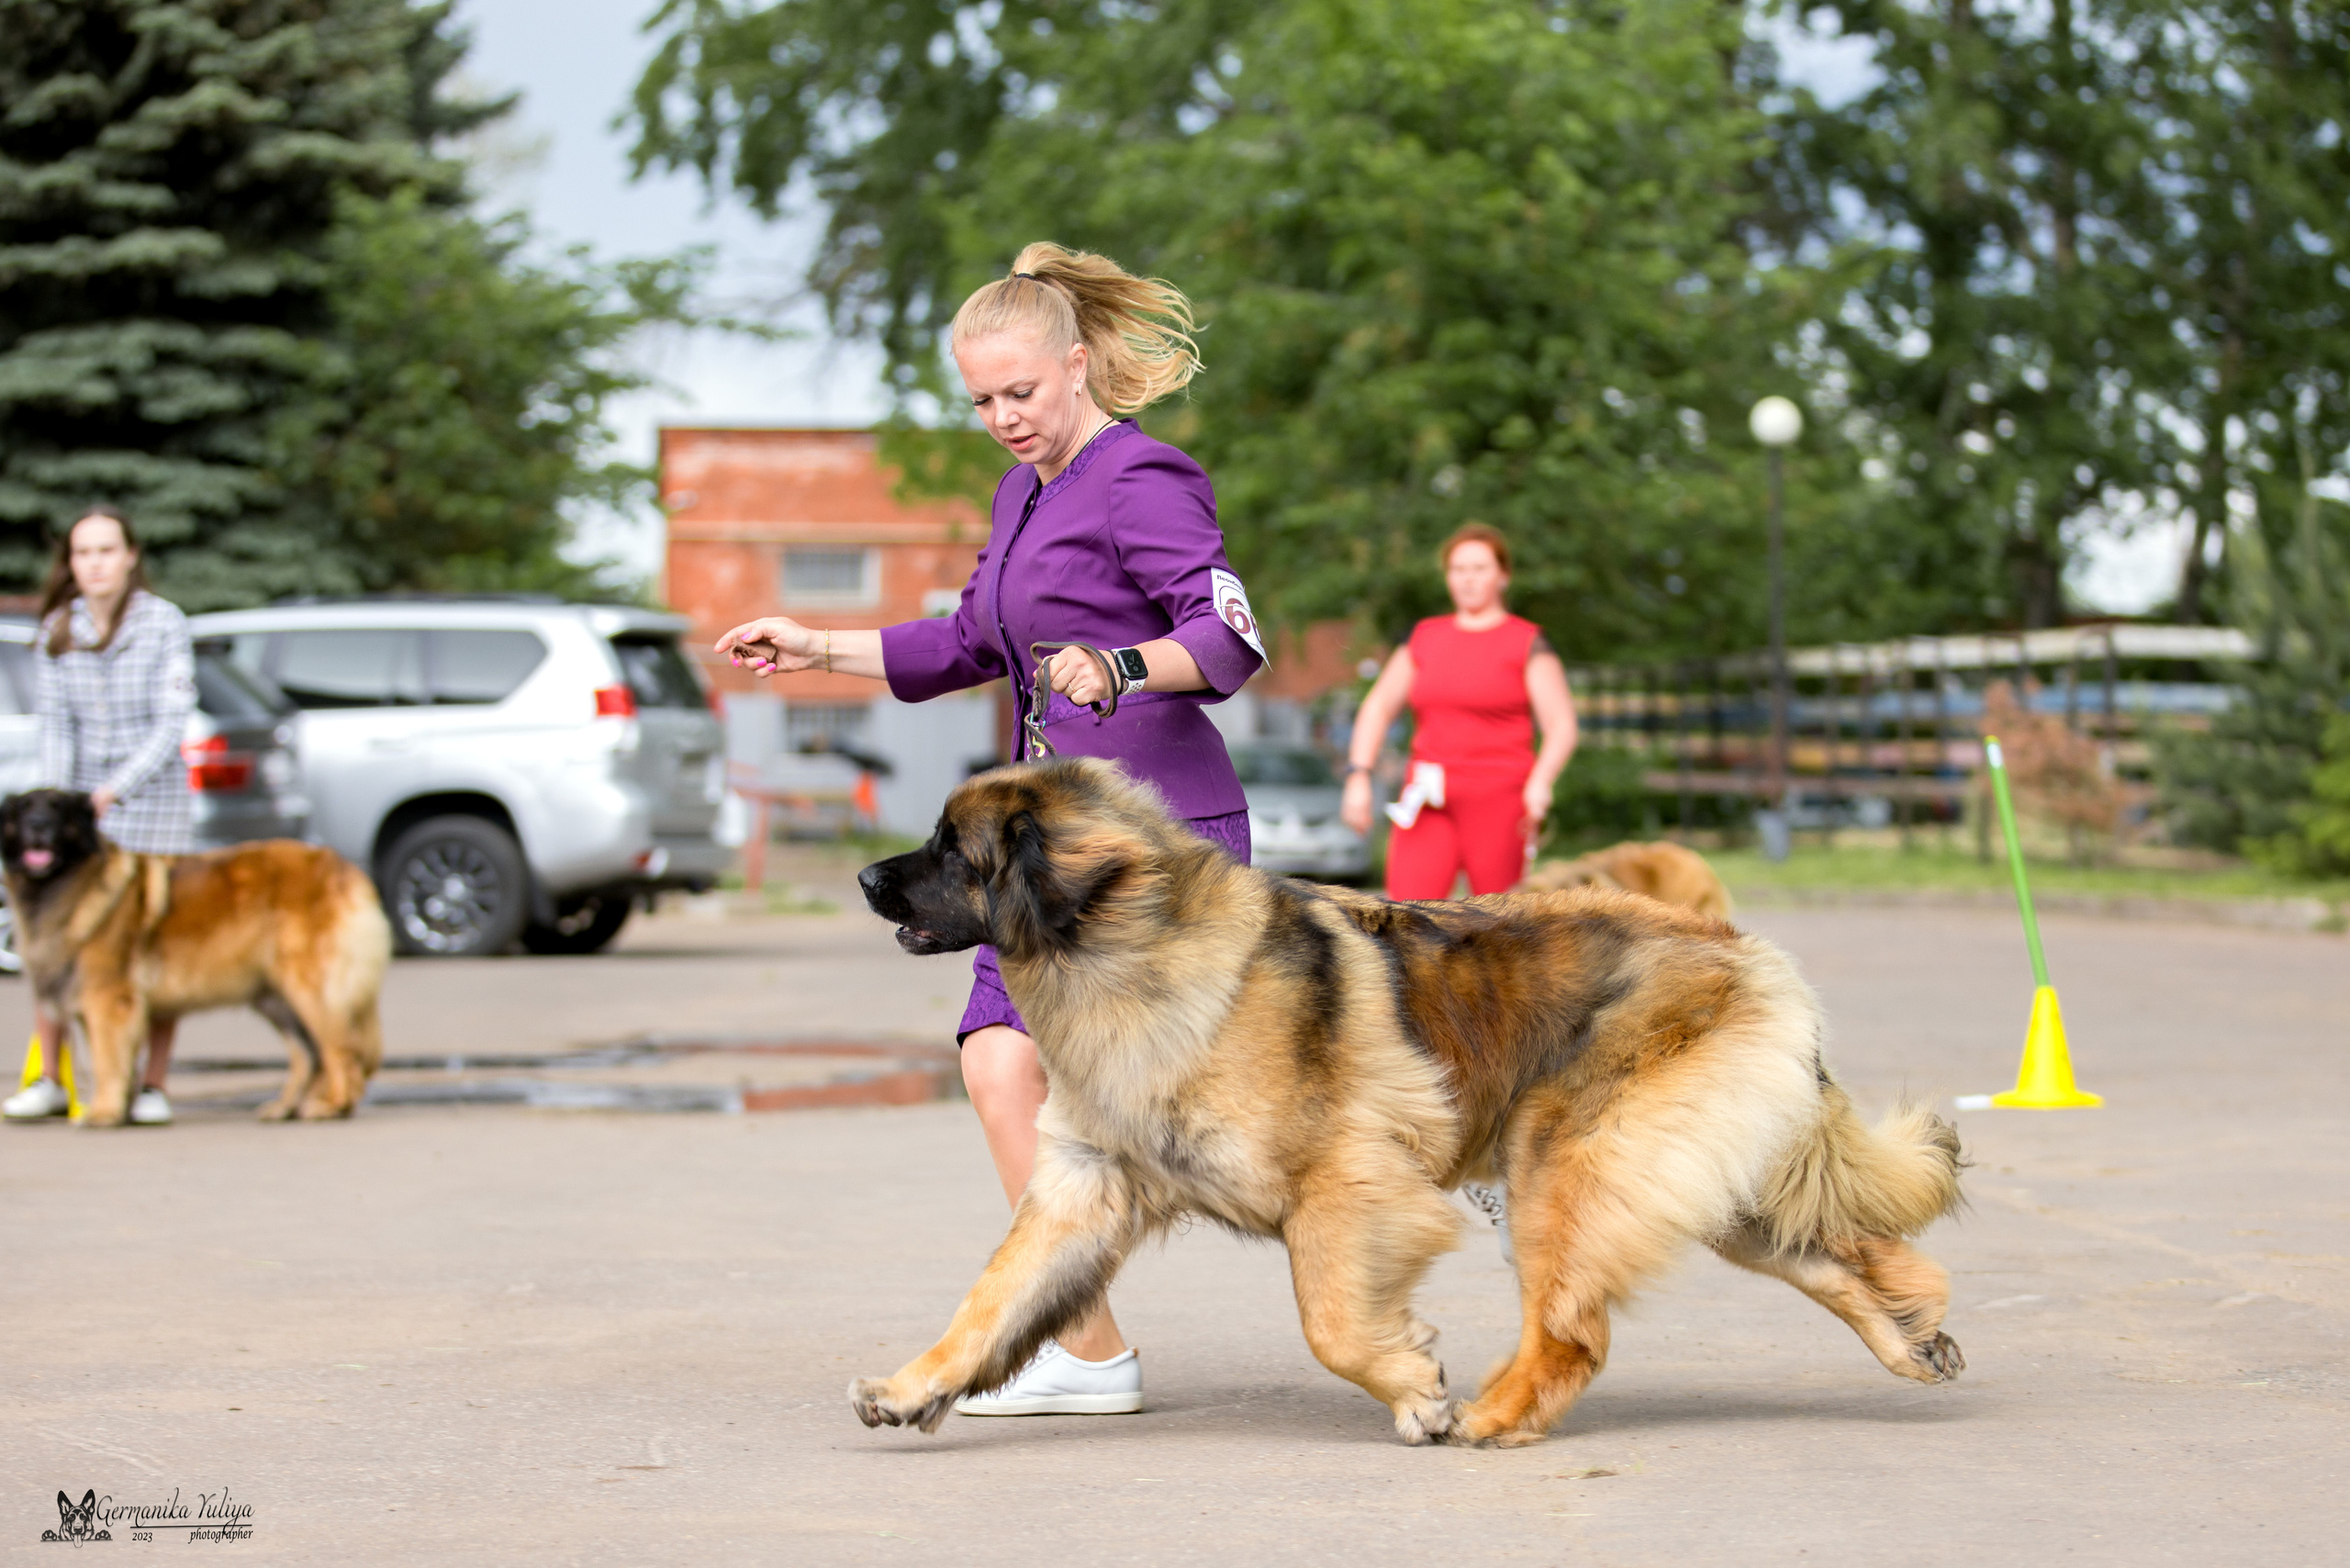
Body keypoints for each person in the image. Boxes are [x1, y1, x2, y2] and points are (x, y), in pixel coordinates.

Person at [714, 242, 1265, 1417]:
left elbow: (1228, 643)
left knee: (1212, 1096)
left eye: (1021, 392)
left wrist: (1121, 667)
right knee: (1000, 1062)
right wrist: (815, 645)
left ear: (1077, 364)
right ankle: (1087, 1346)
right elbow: (968, 639)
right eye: (981, 400)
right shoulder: (1024, 493)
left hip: (1144, 851)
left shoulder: (1145, 476)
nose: (1003, 418)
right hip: (1035, 856)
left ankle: (1460, 1139)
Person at [4, 508, 198, 1126]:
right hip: (79, 820)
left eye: (107, 550)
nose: (95, 563)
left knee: (153, 946)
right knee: (53, 943)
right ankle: (51, 1078)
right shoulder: (60, 628)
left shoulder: (164, 624)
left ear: (131, 556)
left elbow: (171, 724)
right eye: (83, 553)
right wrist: (61, 805)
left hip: (151, 808)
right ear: (71, 563)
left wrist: (114, 789)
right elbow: (57, 725)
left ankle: (152, 1085)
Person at [1341, 524, 1577, 900]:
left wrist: (1541, 782)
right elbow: (1379, 706)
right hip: (1428, 795)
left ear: (1503, 576)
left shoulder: (1525, 641)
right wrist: (1359, 775)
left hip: (1500, 798)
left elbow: (1561, 725)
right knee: (1406, 917)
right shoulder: (1425, 637)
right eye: (1458, 569)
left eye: (1479, 569)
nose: (1468, 580)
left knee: (1501, 925)